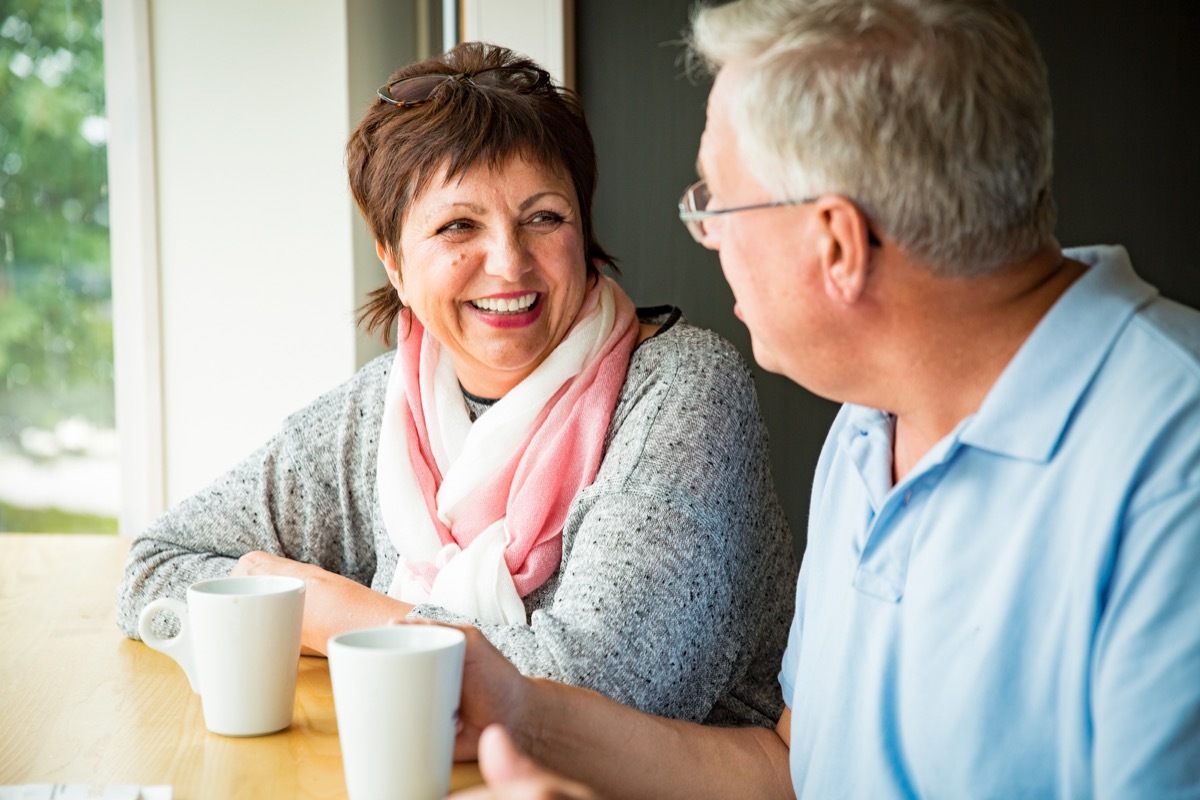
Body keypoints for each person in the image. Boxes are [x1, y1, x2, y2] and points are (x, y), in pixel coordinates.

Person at [441, 0, 1200, 797]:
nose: (710, 233)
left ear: (836, 243)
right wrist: (520, 712)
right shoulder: (871, 423)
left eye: (717, 203)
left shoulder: (1172, 475)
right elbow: (795, 769)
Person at [116, 41, 798, 729]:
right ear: (393, 261)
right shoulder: (380, 412)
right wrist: (320, 612)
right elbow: (155, 569)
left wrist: (333, 613)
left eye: (543, 217)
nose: (509, 262)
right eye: (458, 226)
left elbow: (599, 691)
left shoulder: (682, 390)